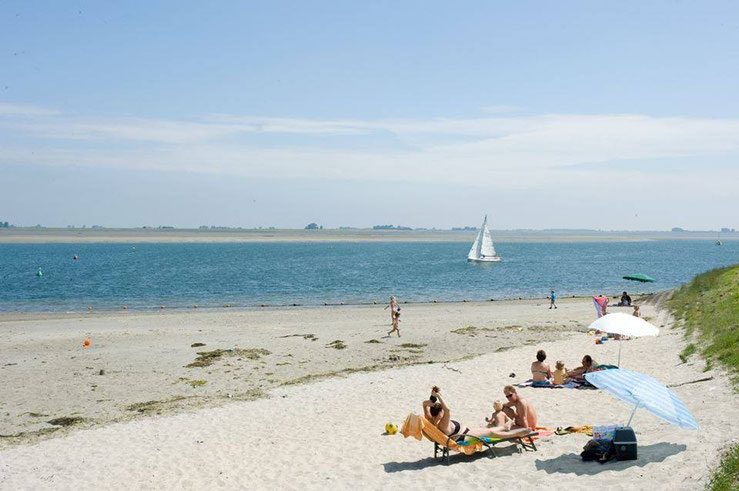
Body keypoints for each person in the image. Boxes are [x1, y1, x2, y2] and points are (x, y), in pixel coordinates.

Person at [422, 386, 524, 442]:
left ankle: (504, 427)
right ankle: (511, 431)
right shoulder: (442, 423)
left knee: (487, 430)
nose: (444, 412)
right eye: (442, 411)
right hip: (465, 436)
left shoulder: (430, 418)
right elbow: (447, 410)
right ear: (440, 413)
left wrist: (432, 398)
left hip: (466, 431)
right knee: (492, 433)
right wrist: (439, 396)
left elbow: (424, 404)